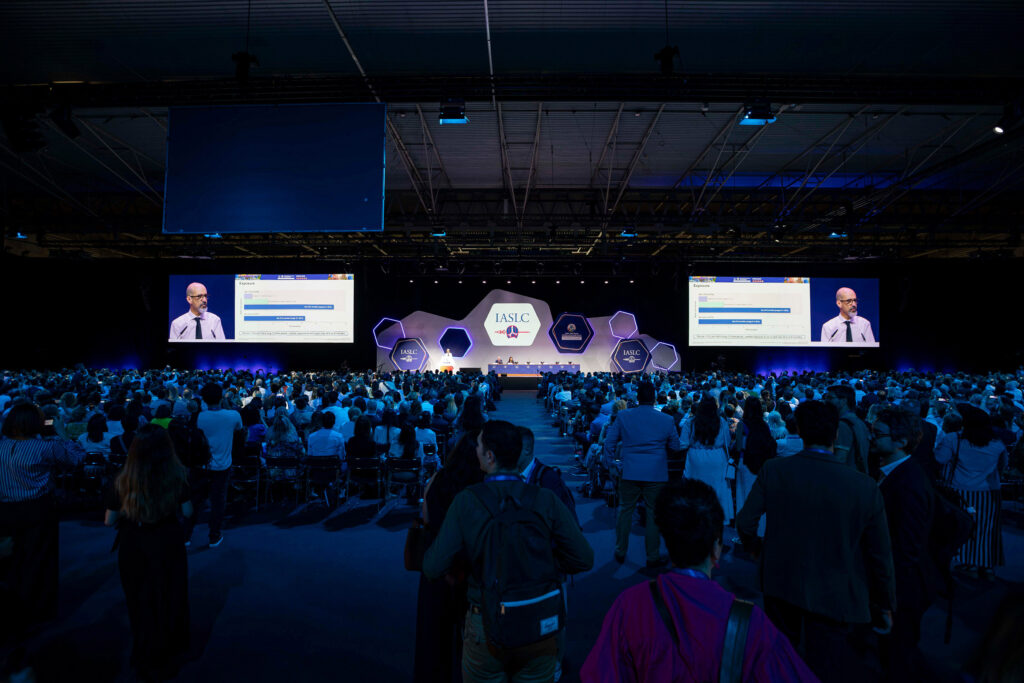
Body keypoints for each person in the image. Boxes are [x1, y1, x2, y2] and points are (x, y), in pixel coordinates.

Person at [581, 478, 818, 682]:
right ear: (716, 548)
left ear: (667, 541)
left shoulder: (630, 606)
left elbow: (599, 674)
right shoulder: (751, 622)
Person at [736, 400, 896, 683]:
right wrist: (884, 603)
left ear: (799, 430)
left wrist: (756, 552)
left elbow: (746, 522)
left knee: (781, 659)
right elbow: (880, 554)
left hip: (780, 580)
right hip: (836, 591)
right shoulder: (864, 486)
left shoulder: (774, 470)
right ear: (835, 435)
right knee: (826, 665)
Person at [423, 420, 594, 682]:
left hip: (486, 623)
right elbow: (583, 558)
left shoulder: (468, 501)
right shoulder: (544, 499)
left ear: (489, 456)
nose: (476, 451)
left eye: (479, 446)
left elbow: (433, 566)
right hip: (539, 621)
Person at [103, 424, 191, 682]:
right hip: (167, 538)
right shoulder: (177, 474)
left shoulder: (122, 479)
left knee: (139, 597)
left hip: (134, 541)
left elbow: (109, 520)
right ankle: (170, 649)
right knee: (169, 592)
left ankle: (145, 650)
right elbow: (187, 512)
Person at [0, 403, 87, 650]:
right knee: (37, 560)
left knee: (9, 561)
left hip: (5, 510)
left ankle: (11, 611)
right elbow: (77, 459)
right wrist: (61, 432)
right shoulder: (45, 448)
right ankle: (32, 613)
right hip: (37, 509)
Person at [871, 407, 942, 681]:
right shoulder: (897, 473)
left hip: (903, 589)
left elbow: (905, 550)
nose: (871, 438)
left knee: (898, 658)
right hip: (898, 586)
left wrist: (888, 601)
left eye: (878, 434)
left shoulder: (908, 483)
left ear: (901, 441)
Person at [414, 431, 484, 683]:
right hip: (471, 564)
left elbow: (425, 519)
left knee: (434, 634)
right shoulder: (481, 487)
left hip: (438, 561)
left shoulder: (436, 480)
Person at [603, 383, 681, 567]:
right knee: (654, 514)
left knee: (625, 511)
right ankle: (652, 556)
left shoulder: (623, 416)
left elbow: (609, 443)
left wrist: (611, 466)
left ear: (638, 398)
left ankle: (620, 551)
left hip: (629, 471)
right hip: (656, 474)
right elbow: (676, 446)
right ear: (654, 398)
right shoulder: (667, 419)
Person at [935, 404, 1008, 581]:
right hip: (989, 492)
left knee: (966, 527)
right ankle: (987, 565)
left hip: (962, 491)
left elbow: (939, 458)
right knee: (987, 529)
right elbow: (1003, 466)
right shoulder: (997, 444)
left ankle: (970, 563)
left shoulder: (954, 439)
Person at [182, 382, 242, 548]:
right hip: (222, 466)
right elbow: (239, 430)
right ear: (221, 397)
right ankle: (214, 536)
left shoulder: (197, 417)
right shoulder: (233, 416)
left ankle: (186, 536)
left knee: (194, 501)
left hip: (199, 466)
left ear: (203, 399)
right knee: (218, 502)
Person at [679, 396, 733, 523]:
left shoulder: (691, 422)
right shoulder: (722, 422)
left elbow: (683, 443)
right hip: (717, 457)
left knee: (695, 491)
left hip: (696, 458)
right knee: (717, 489)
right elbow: (728, 441)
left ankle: (695, 518)